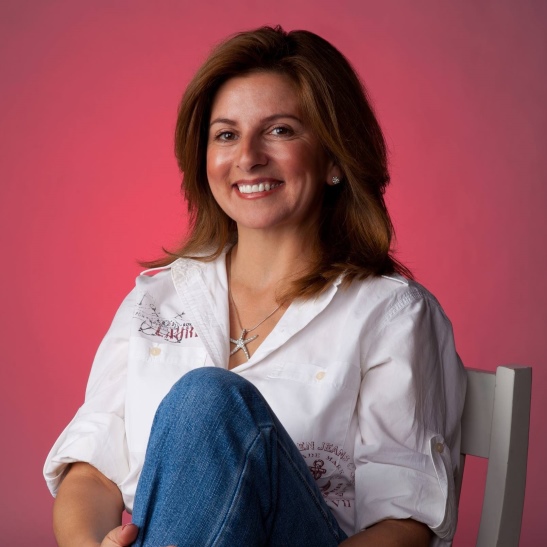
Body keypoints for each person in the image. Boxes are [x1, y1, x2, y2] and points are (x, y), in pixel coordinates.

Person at [44, 26, 467, 547]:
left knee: (207, 398)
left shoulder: (391, 315)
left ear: (335, 158)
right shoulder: (155, 300)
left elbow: (405, 524)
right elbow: (91, 472)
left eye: (280, 130)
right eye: (226, 135)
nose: (247, 157)